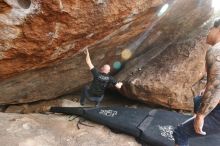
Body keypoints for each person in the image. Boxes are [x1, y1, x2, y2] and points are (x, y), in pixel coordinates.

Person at [173, 19, 220, 146]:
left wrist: (200, 116)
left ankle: (198, 125)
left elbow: (217, 87)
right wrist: (206, 88)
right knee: (199, 100)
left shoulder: (217, 50)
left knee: (180, 132)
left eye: (211, 28)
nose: (208, 32)